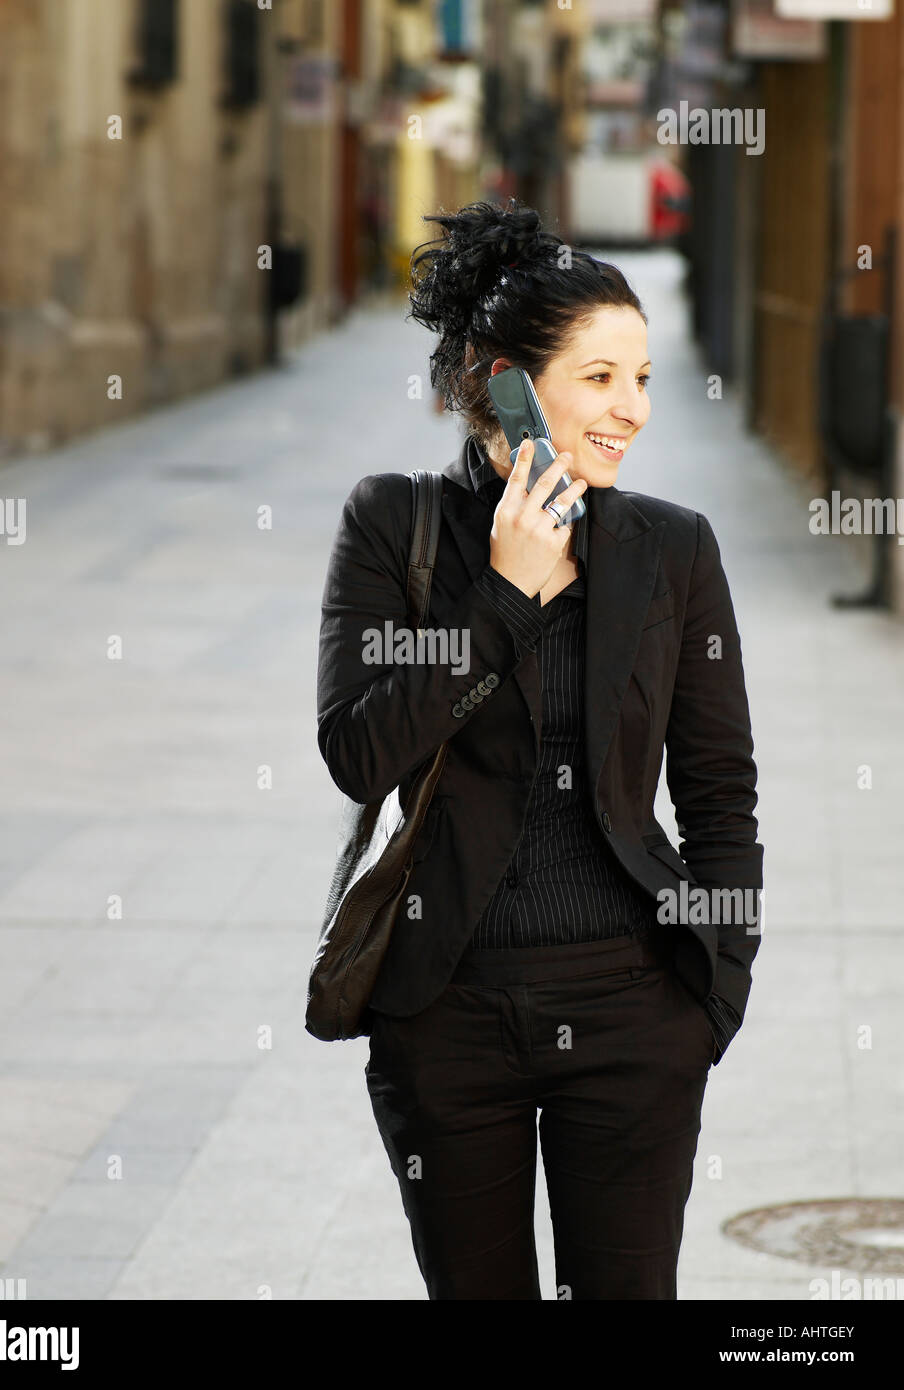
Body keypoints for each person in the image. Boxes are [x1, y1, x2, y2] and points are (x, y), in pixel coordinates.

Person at [315, 198, 763, 1300]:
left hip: (632, 1012)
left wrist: (714, 994)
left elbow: (719, 792)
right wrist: (504, 595)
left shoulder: (672, 550)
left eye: (643, 379)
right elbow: (357, 752)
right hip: (446, 1019)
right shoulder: (393, 526)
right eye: (600, 378)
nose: (634, 412)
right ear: (502, 378)